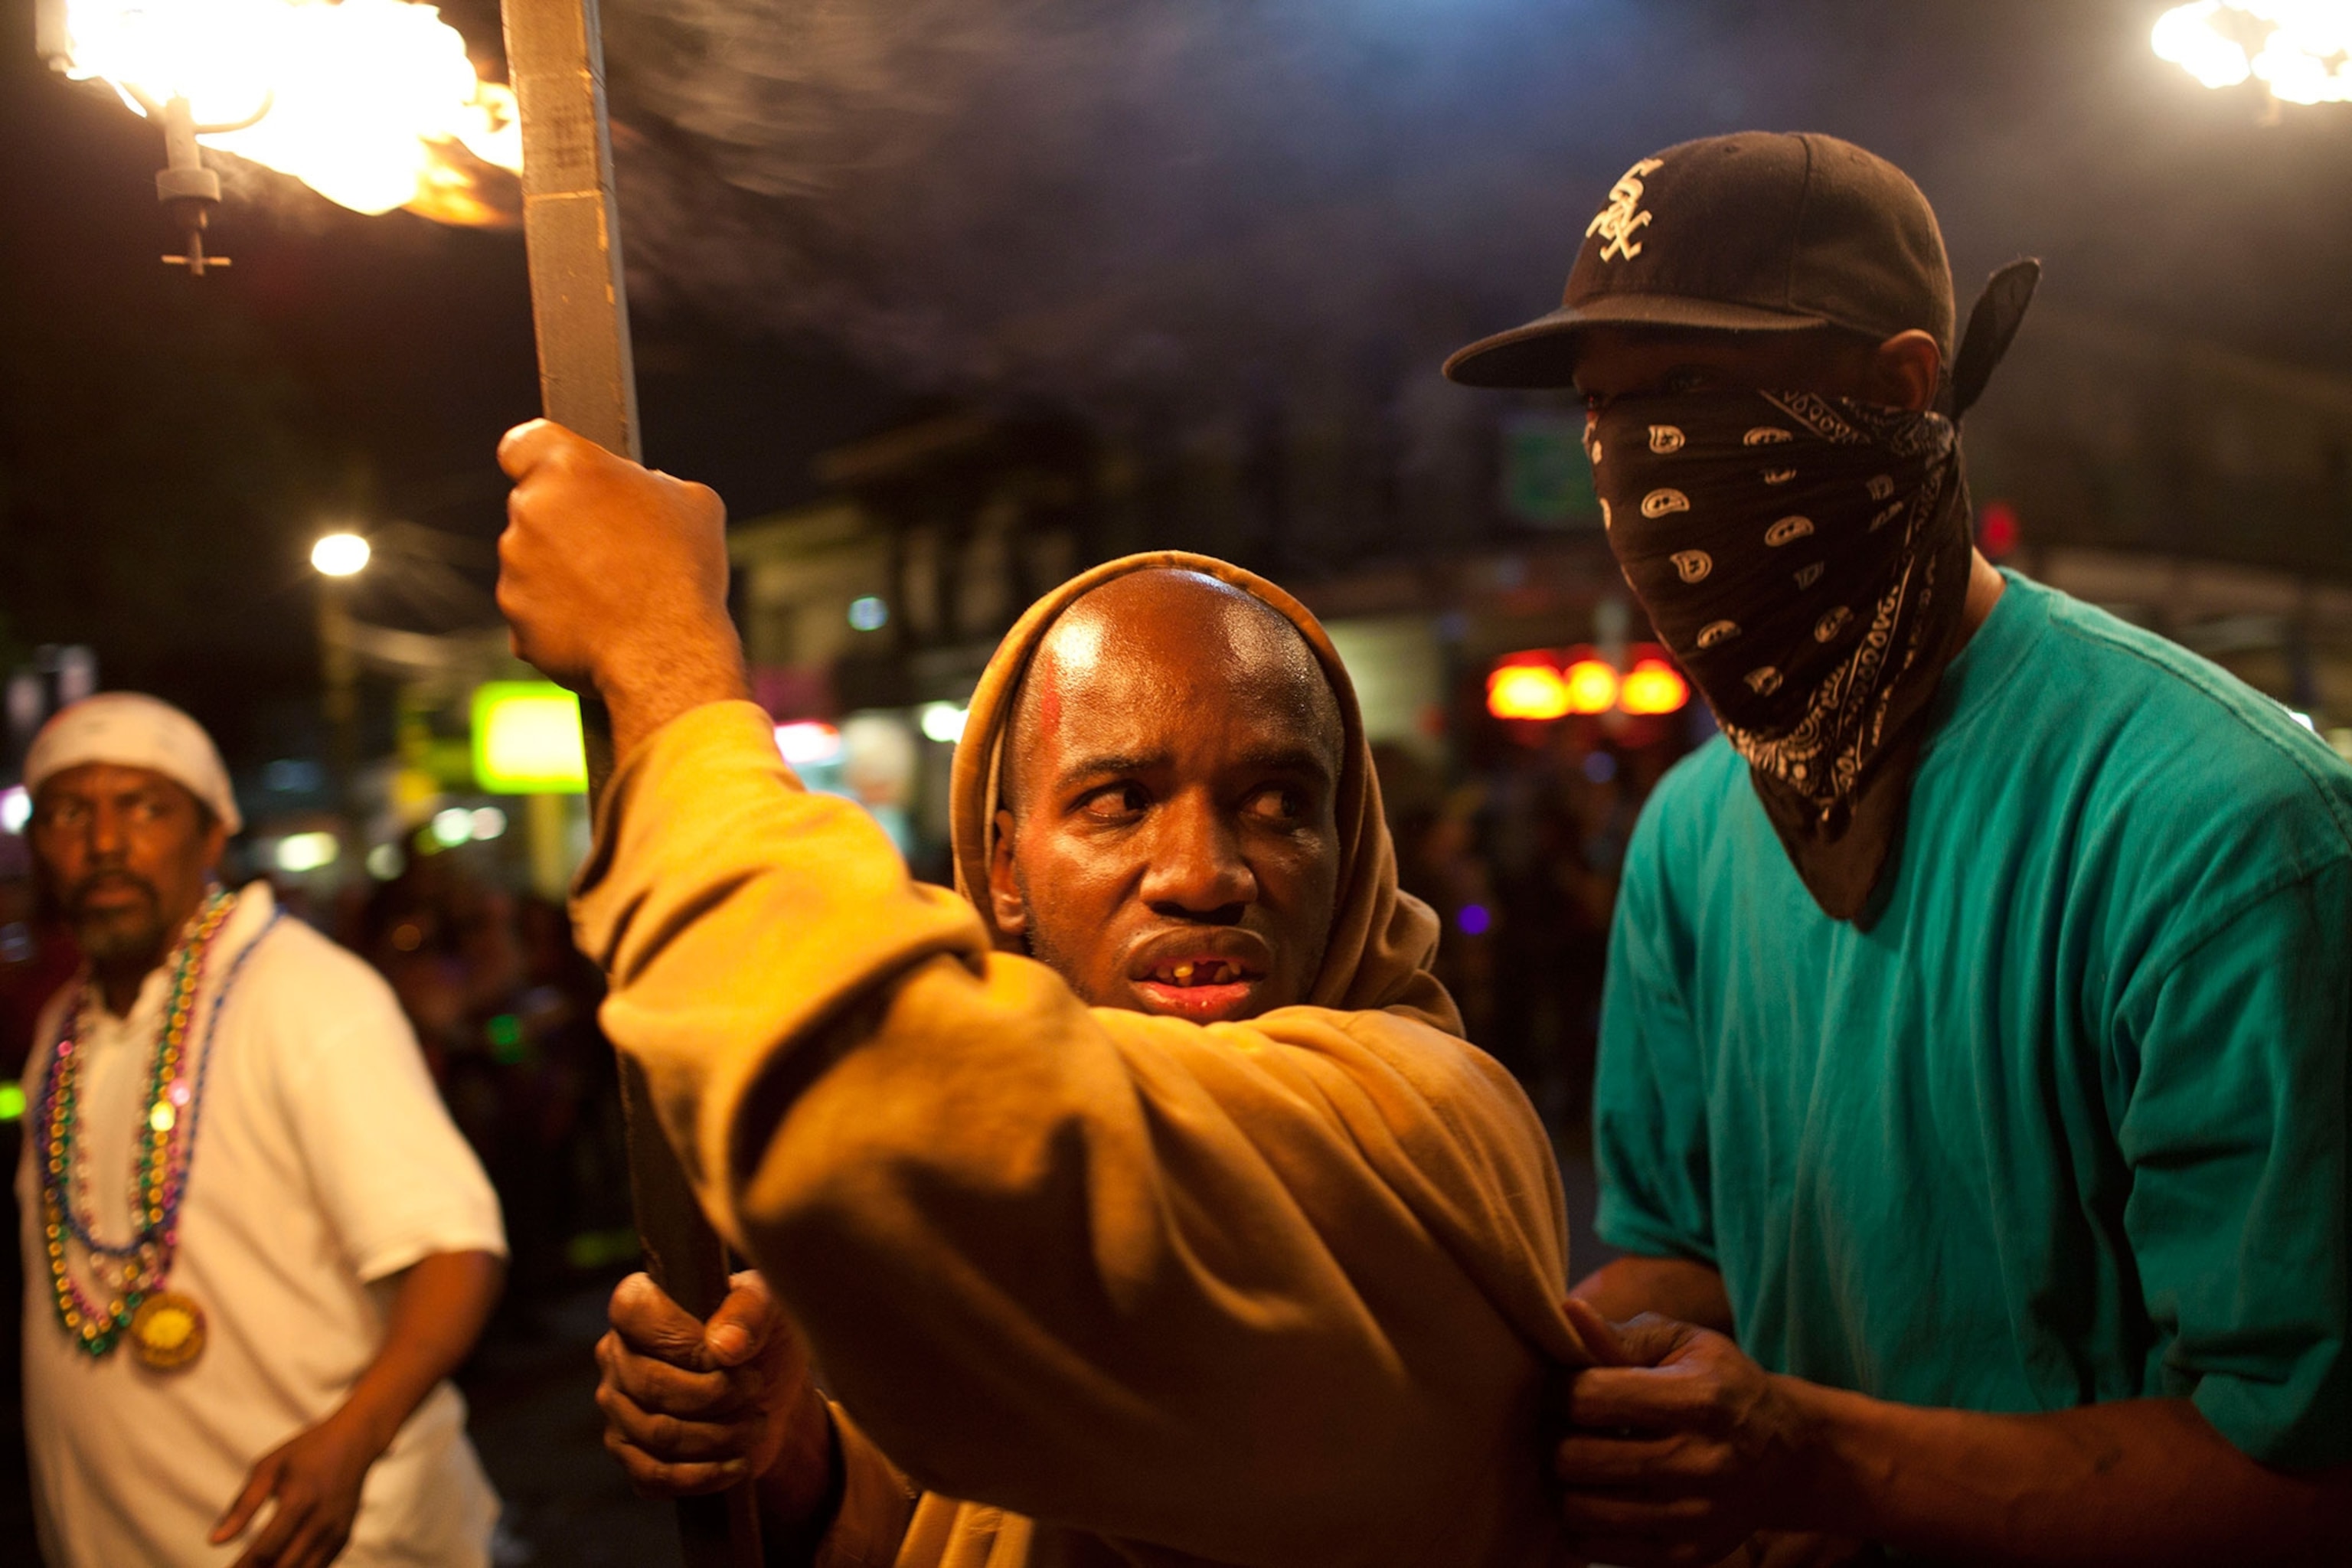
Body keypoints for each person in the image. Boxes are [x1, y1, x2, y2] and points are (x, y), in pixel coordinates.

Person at [1441, 130, 2352, 1564]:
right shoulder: (1691, 829)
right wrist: (1483, 1361)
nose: (1634, 464)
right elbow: (1693, 1257)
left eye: (1686, 393)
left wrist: (1811, 1459)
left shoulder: (2226, 833)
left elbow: (2306, 1478)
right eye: (1604, 411)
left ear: (1896, 390)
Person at [492, 419, 1593, 1566]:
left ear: (1351, 849)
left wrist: (664, 657)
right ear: (1007, 872)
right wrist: (796, 1460)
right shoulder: (1043, 1147)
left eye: (1277, 803)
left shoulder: (1425, 1127)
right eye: (1120, 800)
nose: (1204, 875)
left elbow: (873, 1099)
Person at [15, 694, 508, 1568]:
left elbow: (454, 1251)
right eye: (67, 811)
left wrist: (352, 1439)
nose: (103, 841)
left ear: (212, 837)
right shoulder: (64, 1023)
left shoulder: (307, 994)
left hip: (331, 1541)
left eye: (145, 806)